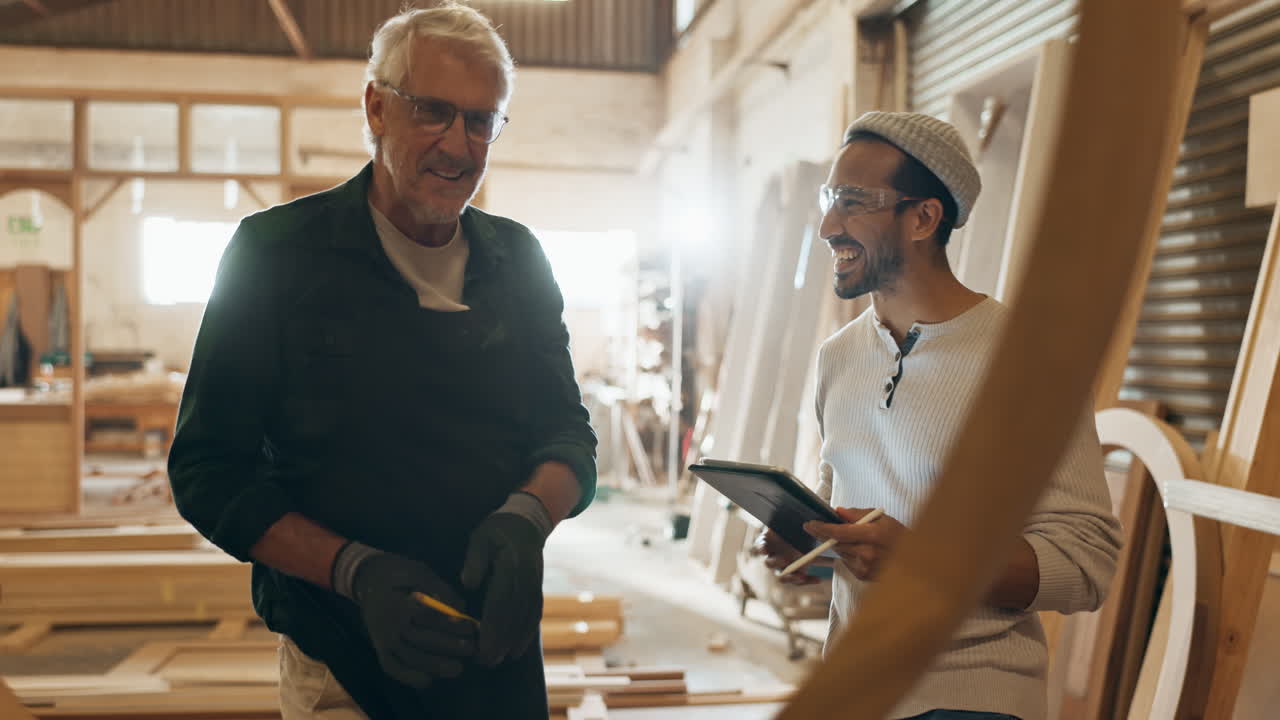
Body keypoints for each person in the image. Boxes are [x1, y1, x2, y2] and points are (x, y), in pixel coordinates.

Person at [167, 4, 597, 719]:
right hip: (344, 659)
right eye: (434, 112)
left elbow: (566, 432)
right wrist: (355, 572)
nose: (459, 146)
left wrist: (526, 518)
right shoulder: (277, 258)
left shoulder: (516, 260)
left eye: (481, 121)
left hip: (497, 651)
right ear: (376, 106)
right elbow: (208, 471)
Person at [753, 112, 1122, 720]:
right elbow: (844, 493)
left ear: (924, 217)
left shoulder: (1028, 358)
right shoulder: (839, 357)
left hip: (972, 700)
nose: (826, 225)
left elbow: (1088, 564)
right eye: (828, 198)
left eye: (853, 202)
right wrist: (811, 543)